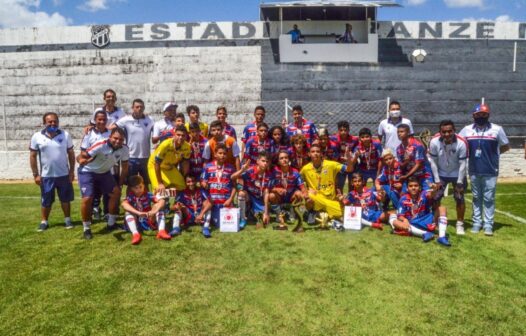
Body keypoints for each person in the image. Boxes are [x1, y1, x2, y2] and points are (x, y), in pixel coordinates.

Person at [459, 104, 510, 236]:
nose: (481, 116)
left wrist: (493, 155)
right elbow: (459, 145)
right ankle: (477, 223)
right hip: (474, 169)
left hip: (490, 169)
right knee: (476, 197)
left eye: (484, 114)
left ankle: (488, 224)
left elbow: (505, 146)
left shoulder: (497, 129)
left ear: (488, 115)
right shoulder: (467, 130)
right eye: (478, 114)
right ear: (473, 116)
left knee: (489, 198)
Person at [77, 128, 129, 240]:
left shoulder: (124, 149)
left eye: (121, 139)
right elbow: (81, 156)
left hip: (104, 173)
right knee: (87, 199)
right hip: (88, 171)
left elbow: (124, 168)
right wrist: (80, 160)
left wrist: (120, 184)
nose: (117, 141)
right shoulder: (100, 145)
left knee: (116, 193)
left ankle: (111, 224)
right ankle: (86, 228)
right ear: (110, 137)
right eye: (115, 138)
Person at [30, 112, 75, 231]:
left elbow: (71, 153)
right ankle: (44, 222)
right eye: (50, 121)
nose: (53, 123)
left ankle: (67, 220)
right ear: (44, 123)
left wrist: (71, 171)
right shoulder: (36, 136)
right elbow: (33, 156)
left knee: (65, 199)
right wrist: (36, 174)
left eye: (55, 121)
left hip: (63, 175)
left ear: (58, 122)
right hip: (46, 176)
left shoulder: (65, 135)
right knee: (46, 200)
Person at [300, 144, 354, 230]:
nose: (315, 153)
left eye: (318, 151)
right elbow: (298, 181)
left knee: (345, 214)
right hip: (316, 199)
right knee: (309, 195)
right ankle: (319, 214)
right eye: (313, 152)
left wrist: (349, 160)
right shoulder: (305, 169)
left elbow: (349, 169)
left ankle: (321, 215)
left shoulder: (331, 164)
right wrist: (305, 189)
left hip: (331, 200)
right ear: (309, 154)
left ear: (321, 154)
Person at [428, 120, 468, 235]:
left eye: (449, 131)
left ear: (454, 131)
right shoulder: (434, 141)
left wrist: (460, 182)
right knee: (435, 198)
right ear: (440, 132)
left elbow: (463, 164)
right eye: (444, 132)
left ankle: (460, 224)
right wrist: (436, 180)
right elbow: (433, 162)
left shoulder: (461, 142)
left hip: (457, 173)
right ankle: (434, 221)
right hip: (441, 173)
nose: (447, 134)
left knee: (459, 198)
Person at [391, 176, 451, 246]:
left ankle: (441, 237)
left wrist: (434, 190)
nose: (413, 188)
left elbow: (431, 195)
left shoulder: (424, 194)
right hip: (413, 223)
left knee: (442, 208)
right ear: (407, 188)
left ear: (419, 187)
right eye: (410, 186)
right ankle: (424, 233)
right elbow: (400, 216)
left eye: (416, 186)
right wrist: (404, 219)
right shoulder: (403, 199)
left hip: (426, 220)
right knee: (395, 222)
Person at [115, 99, 154, 190]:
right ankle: (130, 202)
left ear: (144, 108)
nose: (139, 109)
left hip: (146, 157)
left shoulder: (150, 119)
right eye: (137, 107)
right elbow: (112, 128)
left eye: (141, 107)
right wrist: (92, 126)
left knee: (146, 184)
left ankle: (145, 203)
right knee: (131, 184)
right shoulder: (125, 120)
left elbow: (157, 132)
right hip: (131, 157)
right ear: (133, 108)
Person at [80, 111, 111, 220]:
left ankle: (107, 213)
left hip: (105, 168)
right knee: (91, 194)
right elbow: (83, 152)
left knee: (107, 192)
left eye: (104, 119)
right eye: (99, 119)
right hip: (91, 168)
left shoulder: (111, 133)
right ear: (95, 120)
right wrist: (92, 156)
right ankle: (92, 213)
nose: (102, 121)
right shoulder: (89, 133)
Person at [121, 175, 170, 245]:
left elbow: (162, 201)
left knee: (159, 208)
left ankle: (161, 231)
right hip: (137, 221)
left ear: (144, 185)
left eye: (140, 187)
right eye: (136, 188)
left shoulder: (148, 194)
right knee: (128, 213)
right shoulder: (131, 196)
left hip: (148, 219)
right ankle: (135, 234)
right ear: (132, 189)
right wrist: (138, 213)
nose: (139, 190)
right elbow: (123, 204)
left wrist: (154, 211)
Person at [232, 152, 273, 229]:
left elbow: (266, 193)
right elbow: (232, 177)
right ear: (257, 161)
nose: (265, 163)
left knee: (263, 219)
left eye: (267, 162)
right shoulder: (250, 170)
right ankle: (242, 218)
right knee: (241, 194)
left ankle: (251, 212)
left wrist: (266, 213)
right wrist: (242, 170)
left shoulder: (269, 175)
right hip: (249, 197)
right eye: (263, 161)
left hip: (259, 199)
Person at [200, 143, 237, 228]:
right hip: (213, 202)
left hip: (225, 202)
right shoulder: (208, 167)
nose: (222, 155)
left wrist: (230, 199)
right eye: (220, 153)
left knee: (226, 223)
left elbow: (235, 186)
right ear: (215, 154)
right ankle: (207, 217)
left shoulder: (231, 168)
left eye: (224, 154)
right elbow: (202, 181)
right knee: (218, 224)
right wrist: (204, 183)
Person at [268, 150, 307, 229]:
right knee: (271, 195)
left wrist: (305, 194)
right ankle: (278, 215)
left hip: (291, 197)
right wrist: (276, 189)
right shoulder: (274, 171)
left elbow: (302, 187)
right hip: (279, 197)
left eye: (286, 158)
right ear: (278, 161)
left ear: (289, 159)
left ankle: (294, 212)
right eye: (281, 158)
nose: (284, 160)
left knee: (299, 194)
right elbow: (267, 187)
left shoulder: (295, 172)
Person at [148, 125, 190, 193]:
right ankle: (160, 199)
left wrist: (184, 176)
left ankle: (177, 202)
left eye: (183, 135)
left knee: (182, 186)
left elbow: (185, 164)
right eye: (178, 135)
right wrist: (160, 183)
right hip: (155, 166)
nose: (180, 137)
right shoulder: (165, 145)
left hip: (169, 167)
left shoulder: (187, 147)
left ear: (186, 136)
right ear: (174, 135)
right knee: (159, 190)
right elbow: (157, 163)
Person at [396, 124, 434, 190]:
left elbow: (419, 164)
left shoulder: (417, 145)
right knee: (404, 194)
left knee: (428, 193)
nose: (399, 134)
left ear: (408, 133)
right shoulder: (399, 149)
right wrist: (406, 161)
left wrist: (406, 176)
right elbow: (401, 166)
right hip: (409, 174)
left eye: (402, 132)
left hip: (423, 173)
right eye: (398, 132)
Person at [331, 121, 358, 192]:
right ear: (338, 130)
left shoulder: (354, 140)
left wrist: (352, 158)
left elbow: (356, 151)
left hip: (351, 164)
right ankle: (340, 200)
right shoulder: (333, 139)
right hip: (340, 164)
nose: (343, 132)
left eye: (345, 130)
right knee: (339, 184)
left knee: (352, 184)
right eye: (341, 130)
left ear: (349, 130)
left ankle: (351, 199)